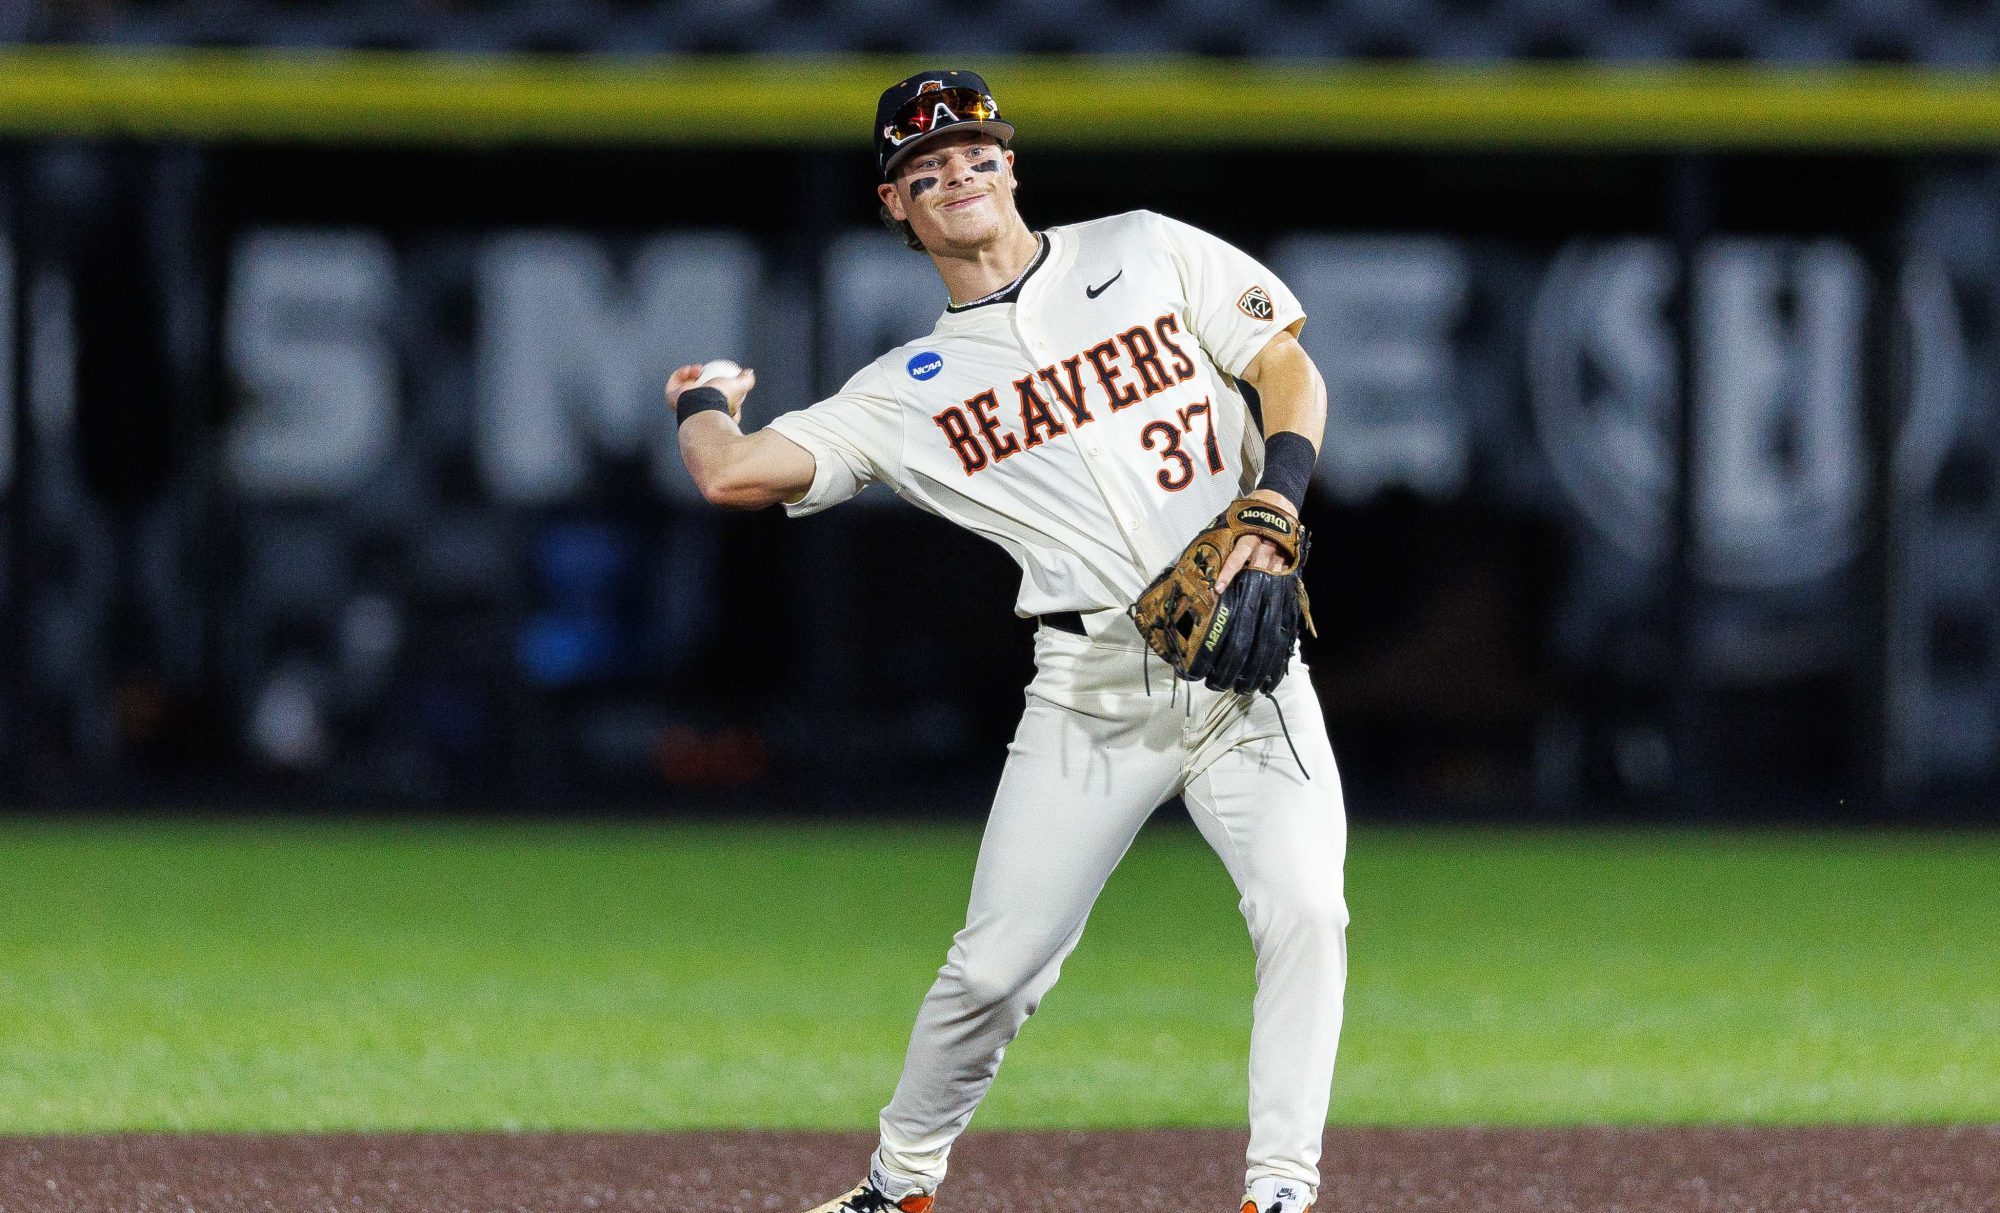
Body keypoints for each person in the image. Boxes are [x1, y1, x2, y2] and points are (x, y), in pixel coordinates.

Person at [667, 70, 1347, 1213]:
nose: (957, 176)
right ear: (896, 206)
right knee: (992, 970)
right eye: (923, 170)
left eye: (975, 153)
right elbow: (732, 475)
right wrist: (699, 399)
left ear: (1011, 165)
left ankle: (1279, 1190)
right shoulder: (907, 389)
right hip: (1089, 687)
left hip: (1244, 665)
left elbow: (1284, 364)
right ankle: (898, 1183)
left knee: (1303, 908)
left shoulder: (1143, 247)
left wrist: (1274, 504)